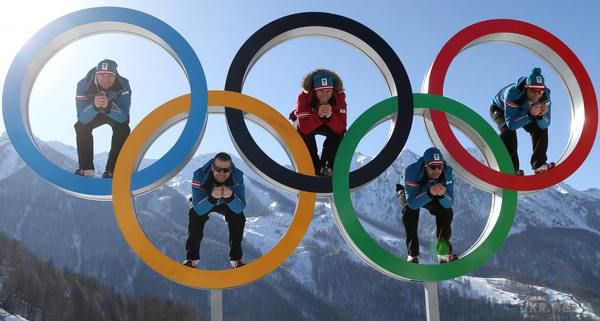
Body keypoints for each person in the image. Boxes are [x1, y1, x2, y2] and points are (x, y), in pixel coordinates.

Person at [183, 152, 247, 269]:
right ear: (212, 166)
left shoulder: (237, 177)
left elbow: (240, 208)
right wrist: (212, 198)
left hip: (226, 202)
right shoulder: (199, 175)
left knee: (238, 218)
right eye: (218, 169)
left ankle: (236, 259)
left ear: (231, 169)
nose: (222, 173)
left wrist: (230, 197)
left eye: (226, 170)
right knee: (194, 215)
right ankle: (191, 259)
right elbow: (199, 209)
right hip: (205, 201)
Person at [74, 59, 132, 178]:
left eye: (110, 77)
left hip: (113, 111)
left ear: (115, 76)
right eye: (101, 76)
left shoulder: (124, 85)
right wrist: (94, 106)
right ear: (96, 75)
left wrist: (108, 106)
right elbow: (82, 118)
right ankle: (86, 169)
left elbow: (124, 116)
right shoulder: (83, 85)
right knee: (80, 127)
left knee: (123, 128)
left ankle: (113, 170)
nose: (105, 80)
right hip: (93, 112)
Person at [490, 67, 554, 175]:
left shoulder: (545, 95)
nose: (536, 95)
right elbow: (512, 124)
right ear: (526, 87)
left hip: (525, 110)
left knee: (540, 129)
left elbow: (545, 124)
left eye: (540, 92)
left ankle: (539, 164)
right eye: (533, 91)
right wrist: (529, 114)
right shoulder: (513, 93)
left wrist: (540, 116)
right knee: (508, 132)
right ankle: (511, 168)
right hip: (500, 109)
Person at [400, 147, 457, 264]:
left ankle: (443, 253)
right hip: (410, 192)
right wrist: (429, 192)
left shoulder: (447, 172)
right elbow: (412, 203)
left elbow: (450, 203)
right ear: (426, 165)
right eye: (432, 167)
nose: (437, 171)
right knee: (409, 211)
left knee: (446, 211)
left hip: (432, 190)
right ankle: (412, 255)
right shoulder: (412, 171)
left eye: (439, 167)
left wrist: (441, 195)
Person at [289, 69, 347, 176]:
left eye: (328, 91)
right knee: (301, 130)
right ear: (314, 91)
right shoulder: (303, 97)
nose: (325, 95)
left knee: (339, 133)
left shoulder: (339, 97)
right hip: (307, 123)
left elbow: (342, 127)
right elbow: (304, 128)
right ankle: (313, 167)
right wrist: (318, 116)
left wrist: (330, 116)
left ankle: (326, 166)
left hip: (328, 124)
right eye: (321, 91)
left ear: (333, 90)